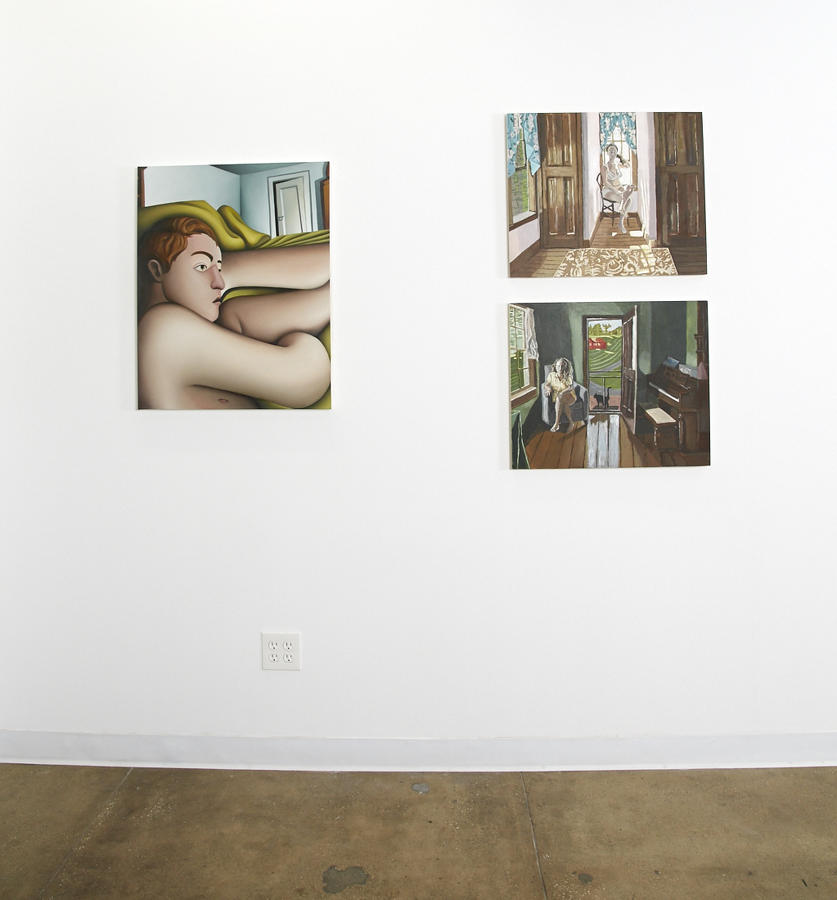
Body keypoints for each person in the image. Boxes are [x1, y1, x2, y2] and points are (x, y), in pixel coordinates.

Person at [138, 216, 330, 410]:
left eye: (219, 268)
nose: (219, 282)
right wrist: (232, 268)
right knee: (235, 313)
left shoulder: (171, 326)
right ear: (156, 270)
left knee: (233, 314)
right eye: (201, 267)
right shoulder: (164, 329)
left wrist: (215, 266)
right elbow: (307, 375)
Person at [601, 143, 636, 234]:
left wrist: (621, 158)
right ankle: (622, 217)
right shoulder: (605, 167)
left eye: (614, 150)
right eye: (610, 150)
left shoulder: (617, 164)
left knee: (629, 198)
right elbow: (605, 183)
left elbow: (628, 165)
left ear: (617, 152)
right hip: (609, 190)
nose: (612, 151)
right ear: (607, 153)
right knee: (625, 199)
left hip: (619, 187)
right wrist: (616, 191)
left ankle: (620, 221)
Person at [545, 357, 577, 432]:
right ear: (555, 366)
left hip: (569, 395)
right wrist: (548, 389)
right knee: (563, 402)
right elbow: (546, 385)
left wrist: (562, 393)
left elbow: (570, 388)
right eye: (558, 366)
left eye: (562, 366)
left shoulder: (568, 375)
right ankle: (571, 422)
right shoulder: (551, 375)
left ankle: (556, 423)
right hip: (558, 397)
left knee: (560, 397)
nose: (560, 368)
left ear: (565, 367)